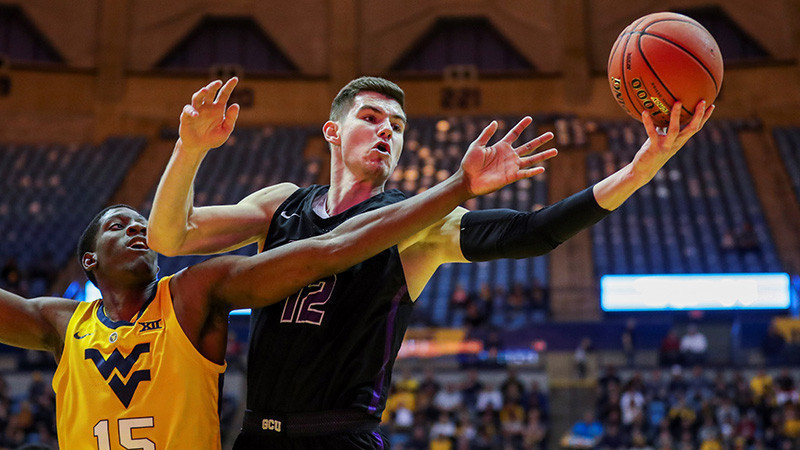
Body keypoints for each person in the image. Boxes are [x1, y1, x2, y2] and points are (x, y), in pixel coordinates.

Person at [147, 76, 713, 448]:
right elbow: (170, 236)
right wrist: (189, 148)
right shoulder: (281, 203)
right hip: (255, 435)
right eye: (371, 118)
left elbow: (534, 233)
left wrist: (638, 171)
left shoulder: (419, 226)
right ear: (332, 130)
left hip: (340, 437)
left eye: (396, 126)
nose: (385, 132)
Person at [0, 119, 543, 447]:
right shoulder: (61, 322)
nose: (138, 228)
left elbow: (331, 249)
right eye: (120, 225)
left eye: (142, 222)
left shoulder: (193, 292)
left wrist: (458, 187)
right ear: (89, 261)